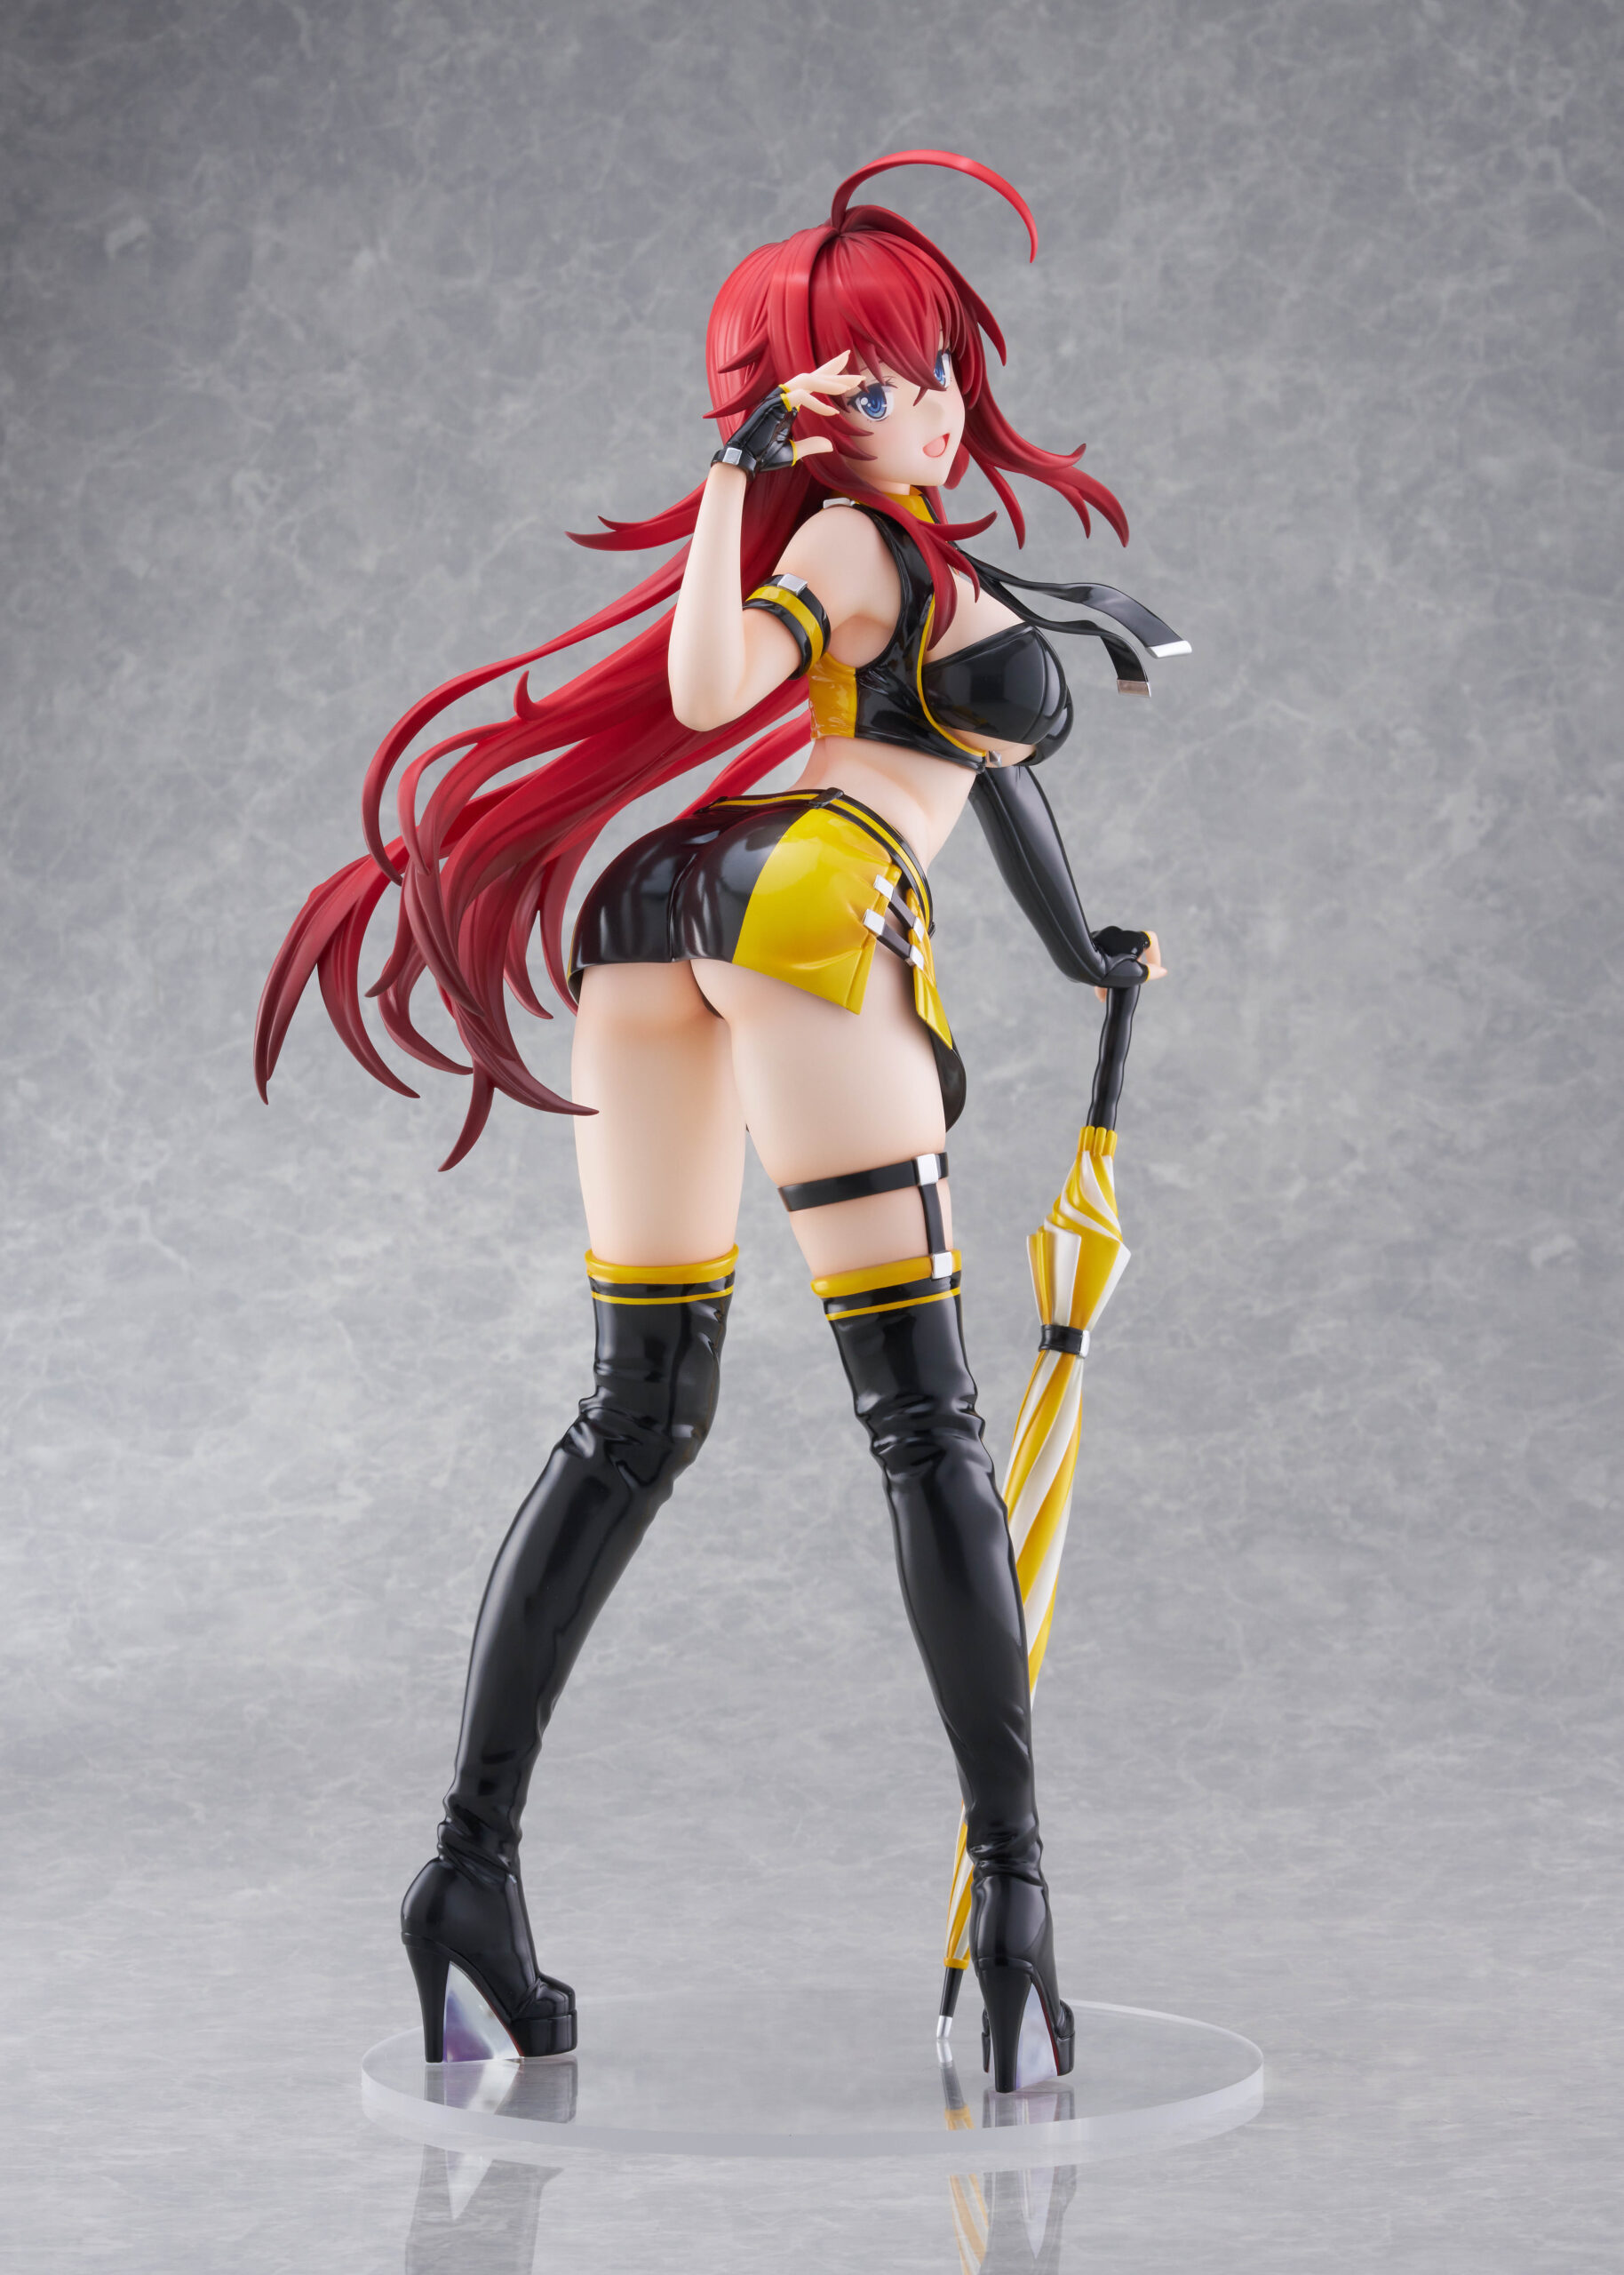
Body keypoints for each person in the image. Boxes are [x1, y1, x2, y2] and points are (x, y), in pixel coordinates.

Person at [255, 148, 1179, 2095]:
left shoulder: (912, 562)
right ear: (817, 408)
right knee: (920, 1420)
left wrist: (1076, 947)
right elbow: (705, 686)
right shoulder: (841, 541)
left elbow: (980, 760)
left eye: (934, 371)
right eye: (887, 379)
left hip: (662, 916)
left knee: (640, 1411)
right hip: (806, 907)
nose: (931, 407)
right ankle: (1013, 1909)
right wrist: (735, 483)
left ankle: (464, 1878)